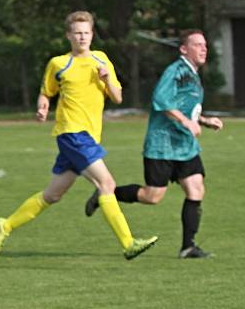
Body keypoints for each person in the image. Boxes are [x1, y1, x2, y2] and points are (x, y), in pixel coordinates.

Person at [0, 11, 158, 261]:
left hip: (88, 136)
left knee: (52, 195)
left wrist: (107, 78)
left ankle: (6, 225)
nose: (82, 37)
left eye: (86, 32)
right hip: (72, 133)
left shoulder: (101, 60)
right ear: (69, 35)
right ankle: (128, 243)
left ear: (92, 34)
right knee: (107, 184)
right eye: (77, 33)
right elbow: (46, 92)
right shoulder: (59, 64)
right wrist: (42, 106)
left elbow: (118, 96)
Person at [84, 30, 222, 258]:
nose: (203, 48)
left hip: (185, 146)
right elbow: (161, 99)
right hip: (162, 144)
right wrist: (186, 121)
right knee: (152, 196)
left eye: (205, 45)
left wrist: (205, 121)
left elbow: (185, 106)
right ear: (184, 49)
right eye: (197, 44)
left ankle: (188, 247)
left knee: (196, 188)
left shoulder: (193, 74)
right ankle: (106, 194)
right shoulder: (175, 71)